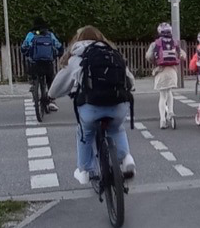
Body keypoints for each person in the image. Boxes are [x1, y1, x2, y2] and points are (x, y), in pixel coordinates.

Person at [49, 26, 135, 185]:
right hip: (118, 105)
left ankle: (85, 170)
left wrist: (51, 96)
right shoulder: (113, 53)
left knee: (85, 134)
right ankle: (126, 158)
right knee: (117, 128)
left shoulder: (76, 58)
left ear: (78, 40)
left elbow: (57, 88)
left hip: (92, 108)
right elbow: (130, 81)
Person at [146, 22, 185, 129]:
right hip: (172, 71)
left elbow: (149, 56)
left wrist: (155, 61)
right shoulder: (175, 43)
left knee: (162, 96)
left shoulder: (155, 44)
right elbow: (183, 55)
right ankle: (171, 112)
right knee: (169, 92)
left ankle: (162, 120)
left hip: (161, 71)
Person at [21, 18, 61, 113]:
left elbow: (24, 47)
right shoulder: (49, 35)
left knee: (33, 73)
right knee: (50, 79)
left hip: (35, 63)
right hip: (47, 63)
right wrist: (59, 54)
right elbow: (58, 46)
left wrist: (26, 53)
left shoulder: (31, 35)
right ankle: (51, 100)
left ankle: (33, 84)